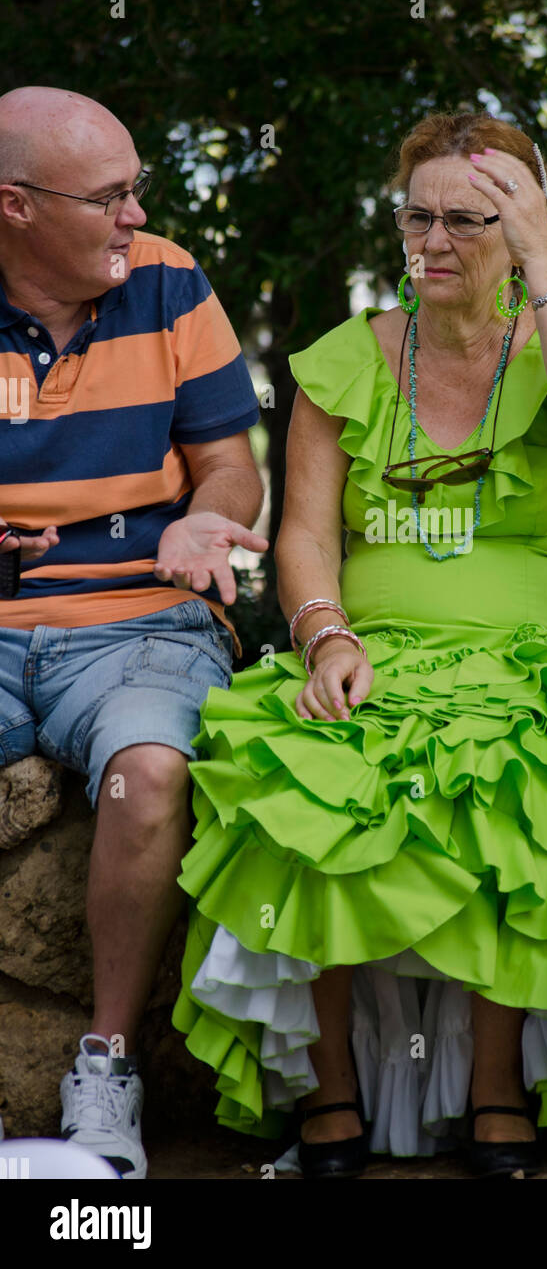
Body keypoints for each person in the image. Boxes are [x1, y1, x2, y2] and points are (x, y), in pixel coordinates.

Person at [173, 111, 547, 1179]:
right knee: (301, 768)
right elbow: (305, 533)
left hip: (534, 651)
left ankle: (499, 1092)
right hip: (377, 643)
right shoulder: (347, 359)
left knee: (508, 765)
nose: (434, 241)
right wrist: (325, 638)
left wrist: (543, 258)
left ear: (524, 222)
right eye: (418, 216)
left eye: (467, 219)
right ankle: (332, 1093)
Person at [0, 86, 268, 1178]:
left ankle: (106, 1072)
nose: (133, 215)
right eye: (108, 196)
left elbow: (230, 463)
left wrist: (212, 515)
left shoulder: (167, 279)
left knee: (151, 771)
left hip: (138, 620)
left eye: (136, 189)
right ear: (14, 207)